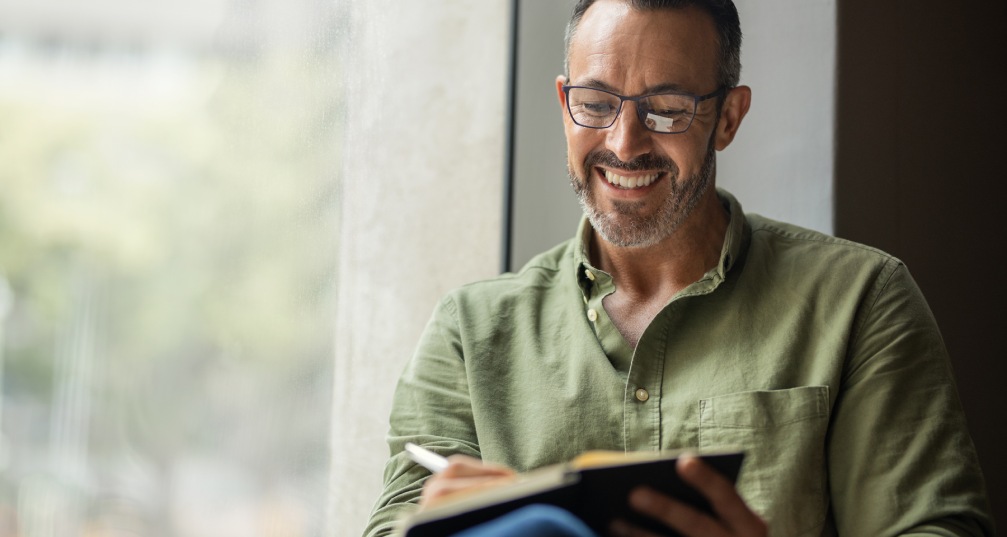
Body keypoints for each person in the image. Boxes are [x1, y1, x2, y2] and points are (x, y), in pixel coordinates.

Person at [363, 0, 994, 535]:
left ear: (728, 117)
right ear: (564, 103)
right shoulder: (468, 333)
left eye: (666, 108)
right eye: (597, 102)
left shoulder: (862, 301)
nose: (624, 142)